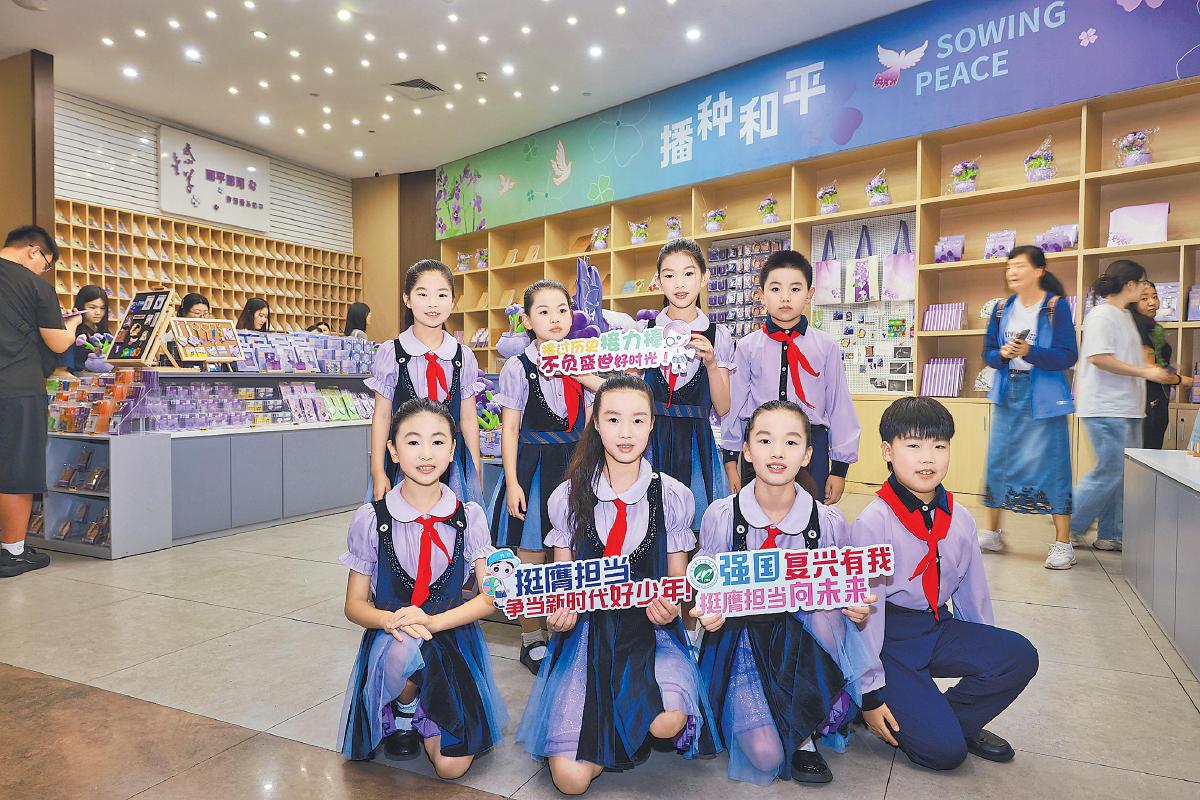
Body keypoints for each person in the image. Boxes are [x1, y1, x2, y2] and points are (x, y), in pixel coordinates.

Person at [517, 376, 719, 794]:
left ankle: (630, 720)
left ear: (651, 425)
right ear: (595, 423)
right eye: (613, 419)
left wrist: (671, 605)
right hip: (587, 638)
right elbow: (562, 584)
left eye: (637, 419)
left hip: (651, 633)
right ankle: (613, 723)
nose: (625, 432)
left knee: (668, 720)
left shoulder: (672, 495)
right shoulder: (568, 496)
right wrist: (558, 614)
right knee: (571, 781)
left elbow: (678, 583)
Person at [849, 397, 1039, 771]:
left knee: (1018, 655)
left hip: (937, 626)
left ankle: (948, 719)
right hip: (890, 641)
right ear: (887, 451)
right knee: (944, 753)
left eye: (939, 446)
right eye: (913, 445)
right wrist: (868, 693)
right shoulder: (873, 523)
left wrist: (982, 647)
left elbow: (972, 592)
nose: (928, 458)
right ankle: (900, 715)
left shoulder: (960, 518)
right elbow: (867, 617)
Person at [694, 400, 874, 785]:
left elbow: (845, 586)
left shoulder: (828, 522)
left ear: (807, 455)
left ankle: (803, 732)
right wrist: (707, 608)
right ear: (746, 450)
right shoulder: (721, 516)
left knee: (827, 614)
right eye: (765, 440)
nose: (777, 452)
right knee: (766, 757)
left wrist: (854, 606)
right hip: (742, 641)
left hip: (800, 647)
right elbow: (705, 582)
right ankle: (753, 712)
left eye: (791, 442)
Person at [337, 398, 507, 773]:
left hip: (451, 637)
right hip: (394, 638)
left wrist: (431, 622)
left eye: (438, 441)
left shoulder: (470, 517)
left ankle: (422, 711)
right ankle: (403, 708)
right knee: (404, 650)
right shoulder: (372, 519)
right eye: (413, 442)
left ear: (452, 450)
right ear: (393, 451)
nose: (426, 453)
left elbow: (489, 598)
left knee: (451, 767)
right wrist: (392, 621)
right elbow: (354, 605)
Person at [488, 279, 602, 674]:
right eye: (544, 311)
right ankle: (531, 636)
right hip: (534, 466)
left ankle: (563, 632)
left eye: (562, 310)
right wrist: (513, 482)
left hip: (574, 463)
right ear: (527, 321)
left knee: (568, 553)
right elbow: (510, 429)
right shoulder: (518, 367)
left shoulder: (582, 361)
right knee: (533, 554)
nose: (555, 318)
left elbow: (600, 410)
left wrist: (580, 372)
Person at [721, 250, 860, 504]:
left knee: (810, 515)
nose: (785, 297)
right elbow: (735, 404)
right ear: (761, 295)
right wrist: (730, 461)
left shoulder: (826, 346)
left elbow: (839, 407)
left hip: (812, 447)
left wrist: (840, 469)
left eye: (795, 289)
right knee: (758, 515)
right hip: (760, 444)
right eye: (775, 289)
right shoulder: (747, 347)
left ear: (809, 294)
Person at [978, 246, 1079, 569]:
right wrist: (1003, 354)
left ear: (1039, 271)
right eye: (1009, 266)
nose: (1012, 272)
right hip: (1008, 394)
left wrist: (1029, 351)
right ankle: (992, 533)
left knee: (1054, 465)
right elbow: (988, 353)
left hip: (1044, 397)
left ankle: (1063, 544)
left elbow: (1068, 355)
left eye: (1020, 266)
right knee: (998, 461)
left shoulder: (1055, 306)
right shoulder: (1000, 308)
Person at [1070, 261, 1172, 550]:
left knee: (1122, 475)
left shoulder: (1125, 315)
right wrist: (1144, 372)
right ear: (1130, 285)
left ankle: (1111, 534)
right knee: (1109, 471)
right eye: (1142, 283)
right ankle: (1069, 523)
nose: (1145, 289)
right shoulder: (1102, 315)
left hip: (1128, 408)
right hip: (1106, 408)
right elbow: (1098, 358)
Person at [0, 225, 82, 577]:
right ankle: (12, 552)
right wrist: (72, 327)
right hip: (16, 387)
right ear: (34, 250)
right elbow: (58, 343)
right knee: (16, 470)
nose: (43, 270)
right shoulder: (35, 286)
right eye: (46, 263)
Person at [368, 260, 483, 511]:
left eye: (442, 295)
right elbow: (382, 416)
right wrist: (377, 470)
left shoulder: (463, 356)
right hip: (403, 464)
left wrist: (475, 470)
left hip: (452, 465)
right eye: (422, 294)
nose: (433, 303)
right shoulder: (391, 353)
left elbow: (468, 418)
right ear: (407, 299)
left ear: (452, 301)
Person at [642, 239, 733, 527]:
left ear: (704, 277)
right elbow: (627, 391)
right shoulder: (644, 332)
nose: (679, 283)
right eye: (669, 275)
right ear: (658, 282)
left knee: (696, 528)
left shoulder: (718, 335)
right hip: (651, 440)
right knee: (649, 524)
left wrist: (711, 363)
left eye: (689, 273)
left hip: (697, 442)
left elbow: (723, 407)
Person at [1132, 282, 1192, 449]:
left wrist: (1170, 370)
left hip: (1158, 400)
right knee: (1145, 454)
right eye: (1144, 298)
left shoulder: (1153, 327)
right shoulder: (1138, 328)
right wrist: (1181, 380)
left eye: (1155, 296)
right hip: (1146, 402)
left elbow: (1158, 362)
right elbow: (1150, 368)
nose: (1152, 302)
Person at [63, 285, 110, 372]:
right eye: (92, 307)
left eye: (102, 308)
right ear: (81, 306)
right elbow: (63, 369)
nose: (98, 312)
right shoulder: (72, 331)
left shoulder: (105, 334)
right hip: (77, 377)